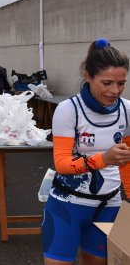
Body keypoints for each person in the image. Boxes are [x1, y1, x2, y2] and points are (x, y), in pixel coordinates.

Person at [42, 39, 130, 265]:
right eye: (107, 82)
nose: (115, 91)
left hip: (109, 205)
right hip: (67, 205)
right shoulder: (69, 110)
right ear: (87, 75)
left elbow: (126, 161)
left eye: (122, 83)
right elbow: (62, 163)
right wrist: (104, 158)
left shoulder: (127, 110)